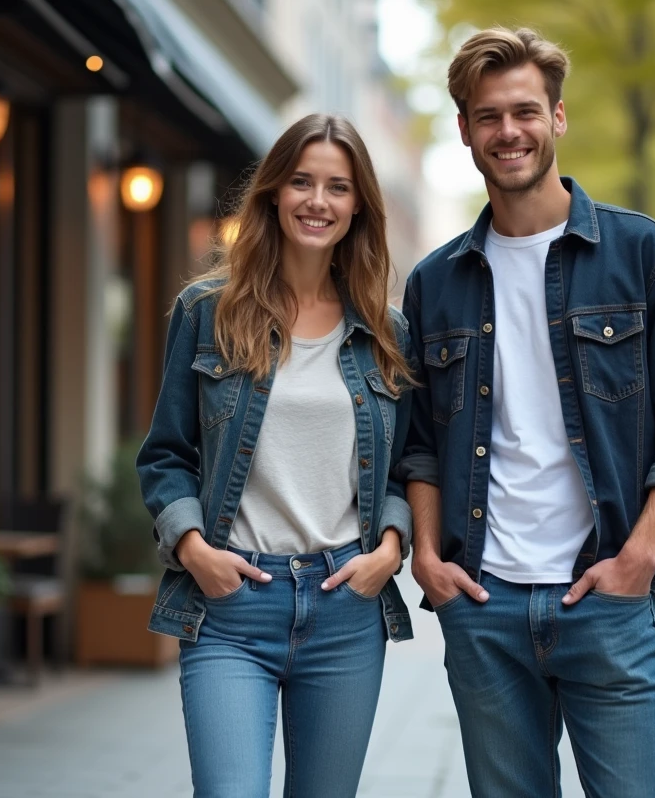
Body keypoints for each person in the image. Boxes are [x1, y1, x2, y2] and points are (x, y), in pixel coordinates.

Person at [397, 27, 655, 797]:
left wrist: (640, 556)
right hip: (483, 605)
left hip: (605, 596)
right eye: (487, 117)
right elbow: (419, 444)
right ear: (465, 131)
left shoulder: (645, 254)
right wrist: (428, 557)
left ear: (558, 117)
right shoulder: (434, 282)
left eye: (524, 111)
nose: (508, 132)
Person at [136, 113, 415, 798]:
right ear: (272, 193)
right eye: (302, 182)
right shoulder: (207, 311)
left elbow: (408, 467)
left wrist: (391, 546)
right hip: (232, 604)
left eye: (338, 187)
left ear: (358, 206)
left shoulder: (387, 331)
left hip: (346, 606)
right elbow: (166, 454)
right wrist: (193, 548)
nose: (318, 201)